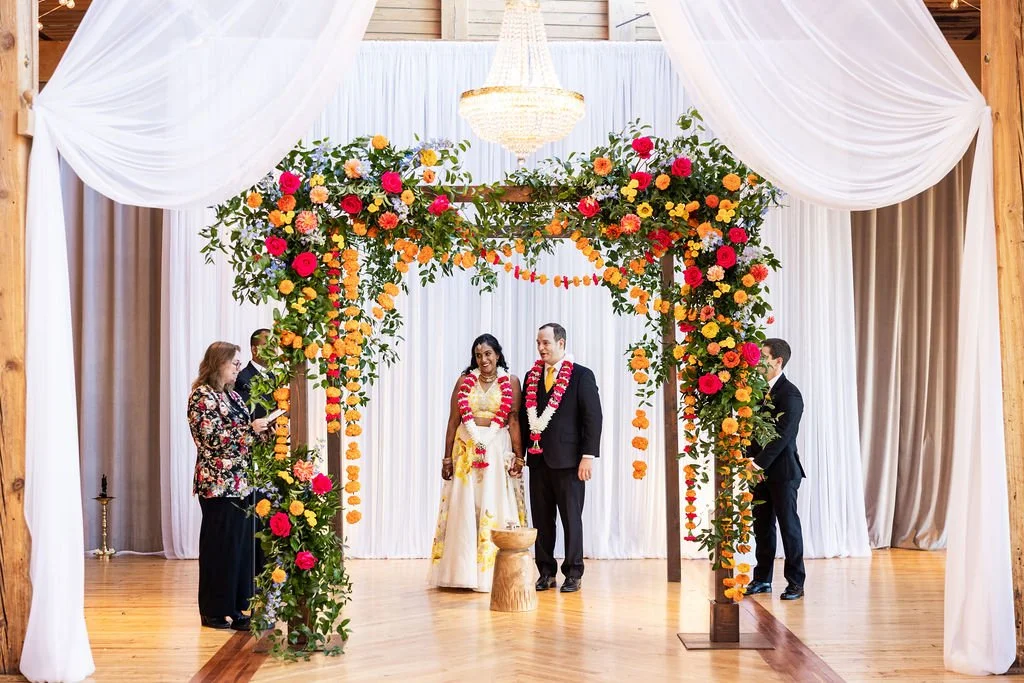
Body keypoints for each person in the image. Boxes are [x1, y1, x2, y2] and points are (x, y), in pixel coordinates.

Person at [428, 334, 527, 592]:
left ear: (497, 355)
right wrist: (446, 458)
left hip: (495, 449)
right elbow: (453, 420)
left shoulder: (511, 381)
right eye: (478, 355)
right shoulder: (464, 381)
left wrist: (519, 455)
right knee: (465, 506)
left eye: (488, 354)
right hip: (466, 450)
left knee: (492, 503)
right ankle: (461, 572)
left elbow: (514, 419)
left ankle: (492, 573)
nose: (483, 359)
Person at [187, 341, 270, 629]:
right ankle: (213, 610)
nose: (238, 368)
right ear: (218, 363)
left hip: (241, 482)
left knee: (239, 548)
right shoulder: (202, 397)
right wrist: (249, 430)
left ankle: (236, 607)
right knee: (219, 548)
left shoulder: (232, 397)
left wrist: (261, 432)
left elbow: (242, 433)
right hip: (217, 484)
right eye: (234, 363)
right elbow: (211, 439)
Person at [520, 323, 602, 593]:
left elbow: (593, 418)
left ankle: (574, 572)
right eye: (538, 343)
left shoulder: (581, 375)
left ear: (561, 344)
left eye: (546, 343)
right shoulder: (531, 377)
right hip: (538, 460)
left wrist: (587, 457)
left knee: (571, 519)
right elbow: (523, 419)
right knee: (542, 520)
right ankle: (545, 572)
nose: (542, 348)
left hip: (570, 462)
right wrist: (519, 456)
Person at [746, 338, 806, 601]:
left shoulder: (790, 394)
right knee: (762, 526)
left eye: (763, 356)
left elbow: (783, 436)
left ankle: (796, 582)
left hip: (782, 472)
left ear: (777, 361)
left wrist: (758, 463)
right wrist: (749, 459)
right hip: (759, 471)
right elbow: (750, 429)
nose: (758, 361)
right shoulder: (757, 391)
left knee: (788, 526)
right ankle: (762, 579)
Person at [235, 328, 272, 419]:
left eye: (275, 346)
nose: (274, 351)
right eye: (268, 346)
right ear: (254, 350)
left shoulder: (273, 377)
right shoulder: (242, 379)